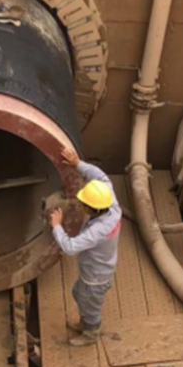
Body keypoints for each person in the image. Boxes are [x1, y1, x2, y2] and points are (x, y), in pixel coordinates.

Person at [49, 148, 121, 346]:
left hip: (96, 277)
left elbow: (70, 247)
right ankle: (85, 324)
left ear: (92, 209)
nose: (80, 205)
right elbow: (101, 176)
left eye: (83, 204)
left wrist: (56, 226)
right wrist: (77, 164)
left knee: (89, 305)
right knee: (78, 294)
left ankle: (91, 334)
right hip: (96, 271)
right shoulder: (110, 203)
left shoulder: (99, 230)